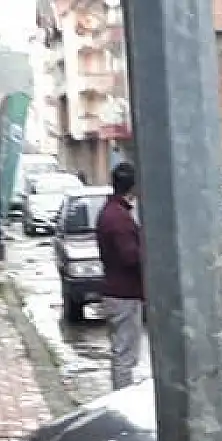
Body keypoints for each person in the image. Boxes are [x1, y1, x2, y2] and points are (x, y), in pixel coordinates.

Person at [95, 161, 144, 391]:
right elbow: (131, 257)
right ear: (132, 187)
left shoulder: (113, 212)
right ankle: (122, 398)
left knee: (122, 352)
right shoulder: (119, 217)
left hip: (118, 291)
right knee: (125, 355)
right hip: (124, 293)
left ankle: (121, 393)